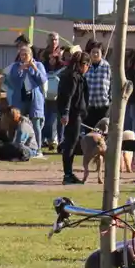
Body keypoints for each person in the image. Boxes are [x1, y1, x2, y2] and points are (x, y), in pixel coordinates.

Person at [4, 42, 50, 152]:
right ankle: (14, 147)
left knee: (36, 124)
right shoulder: (15, 66)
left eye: (26, 54)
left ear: (31, 55)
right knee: (17, 122)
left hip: (35, 99)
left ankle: (37, 149)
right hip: (20, 98)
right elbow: (12, 81)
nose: (23, 57)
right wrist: (20, 69)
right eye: (21, 55)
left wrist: (34, 69)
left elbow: (43, 80)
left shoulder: (39, 65)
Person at [56, 50, 89, 184]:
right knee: (70, 144)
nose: (88, 68)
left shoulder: (71, 75)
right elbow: (68, 96)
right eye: (87, 65)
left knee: (71, 143)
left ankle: (69, 173)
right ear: (83, 64)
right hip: (73, 114)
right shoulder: (73, 77)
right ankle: (68, 174)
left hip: (75, 113)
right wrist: (65, 113)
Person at [83, 42, 113, 131]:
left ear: (101, 53)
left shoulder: (107, 67)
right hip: (88, 105)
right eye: (93, 52)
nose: (95, 54)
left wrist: (110, 99)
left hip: (103, 106)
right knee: (89, 131)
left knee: (101, 132)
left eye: (97, 52)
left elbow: (112, 84)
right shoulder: (86, 66)